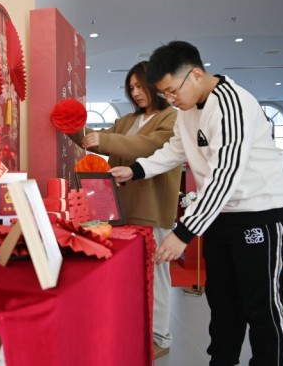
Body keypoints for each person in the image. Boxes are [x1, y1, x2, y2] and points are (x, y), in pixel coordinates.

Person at [110, 41, 283, 366]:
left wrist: (183, 232)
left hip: (262, 213)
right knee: (223, 304)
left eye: (172, 91)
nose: (171, 100)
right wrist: (136, 170)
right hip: (221, 215)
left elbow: (226, 175)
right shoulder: (186, 112)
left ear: (196, 74)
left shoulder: (232, 104)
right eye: (165, 94)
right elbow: (175, 149)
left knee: (262, 306)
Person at [67, 61, 181, 359]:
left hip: (152, 209)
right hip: (119, 209)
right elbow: (99, 141)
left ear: (154, 85)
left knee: (157, 275)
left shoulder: (171, 118)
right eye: (131, 88)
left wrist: (104, 139)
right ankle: (136, 330)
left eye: (140, 86)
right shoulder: (128, 119)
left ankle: (160, 337)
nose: (136, 92)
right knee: (130, 275)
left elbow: (146, 146)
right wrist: (71, 126)